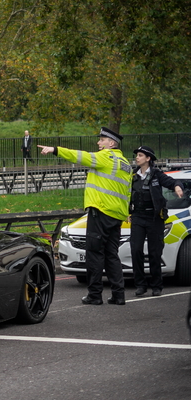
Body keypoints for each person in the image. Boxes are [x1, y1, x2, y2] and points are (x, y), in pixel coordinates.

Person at [38, 127, 132, 305]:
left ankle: (95, 295)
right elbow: (128, 192)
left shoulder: (106, 156)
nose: (98, 143)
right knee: (112, 255)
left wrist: (55, 150)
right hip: (117, 216)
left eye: (102, 140)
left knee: (95, 254)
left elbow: (80, 156)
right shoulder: (125, 163)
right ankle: (119, 295)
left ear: (111, 144)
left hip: (101, 211)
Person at [129, 146, 183, 297]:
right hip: (138, 217)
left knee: (154, 252)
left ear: (148, 159)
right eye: (137, 155)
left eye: (140, 155)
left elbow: (172, 182)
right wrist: (128, 211)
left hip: (154, 218)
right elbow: (127, 194)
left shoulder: (157, 175)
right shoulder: (133, 175)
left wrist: (178, 187)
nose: (137, 158)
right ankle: (140, 285)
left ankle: (156, 285)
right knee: (136, 250)